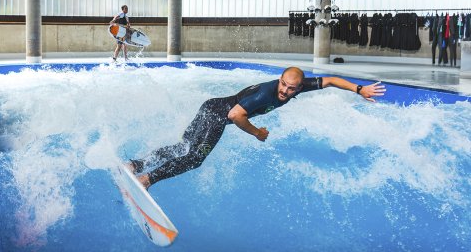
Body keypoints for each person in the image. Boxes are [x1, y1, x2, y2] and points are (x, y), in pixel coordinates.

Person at [127, 67, 386, 189]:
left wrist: (359, 89)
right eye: (283, 84)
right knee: (194, 158)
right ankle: (146, 179)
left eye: (291, 88)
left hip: (209, 107)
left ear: (299, 86)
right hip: (217, 115)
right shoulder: (265, 94)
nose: (285, 91)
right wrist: (257, 133)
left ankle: (136, 165)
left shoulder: (300, 85)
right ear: (280, 80)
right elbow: (236, 114)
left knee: (183, 148)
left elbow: (329, 80)